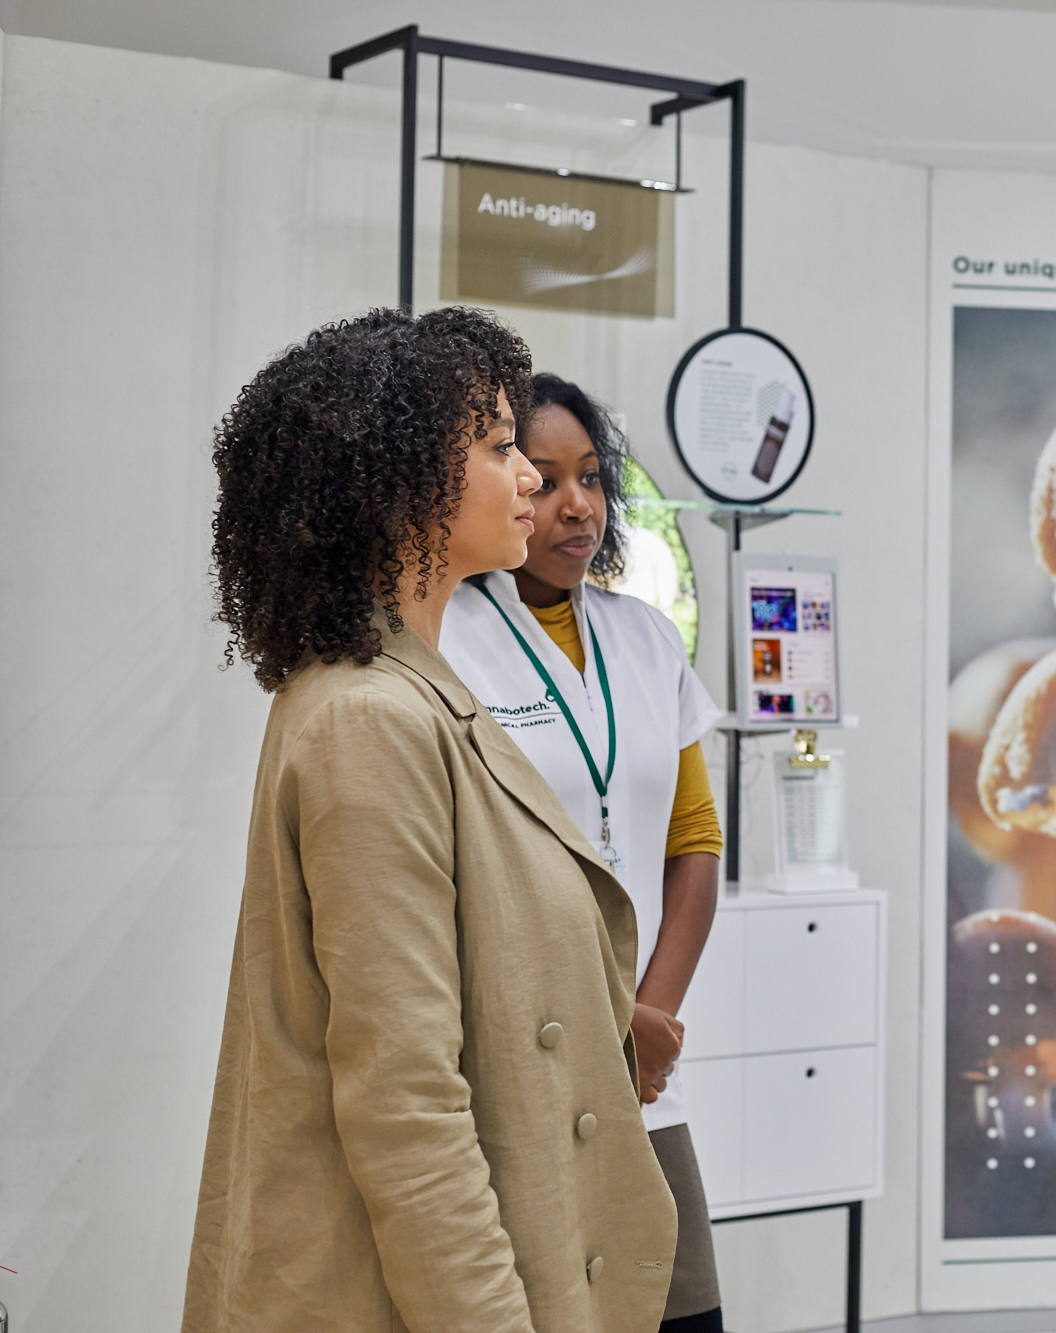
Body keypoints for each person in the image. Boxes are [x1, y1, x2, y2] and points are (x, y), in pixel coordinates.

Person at [186, 308, 678, 1333]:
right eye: (500, 447)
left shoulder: (407, 691)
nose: (531, 477)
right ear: (405, 482)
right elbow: (406, 1106)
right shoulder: (371, 718)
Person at [439, 373, 726, 1333]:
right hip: (515, 1063)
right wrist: (604, 1022)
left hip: (642, 1070)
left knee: (682, 1310)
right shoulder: (445, 642)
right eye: (544, 476)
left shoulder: (645, 637)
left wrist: (650, 1018)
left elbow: (693, 842)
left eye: (594, 477)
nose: (576, 505)